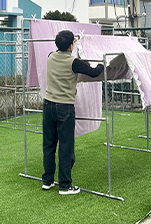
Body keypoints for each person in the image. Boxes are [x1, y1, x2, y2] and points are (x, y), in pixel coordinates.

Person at [41, 30, 104, 195]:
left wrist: (71, 43)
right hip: (64, 107)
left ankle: (47, 181)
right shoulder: (74, 62)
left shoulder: (50, 57)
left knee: (49, 145)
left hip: (48, 105)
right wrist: (102, 63)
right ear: (71, 46)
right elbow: (94, 72)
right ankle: (65, 185)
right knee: (66, 147)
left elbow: (62, 51)